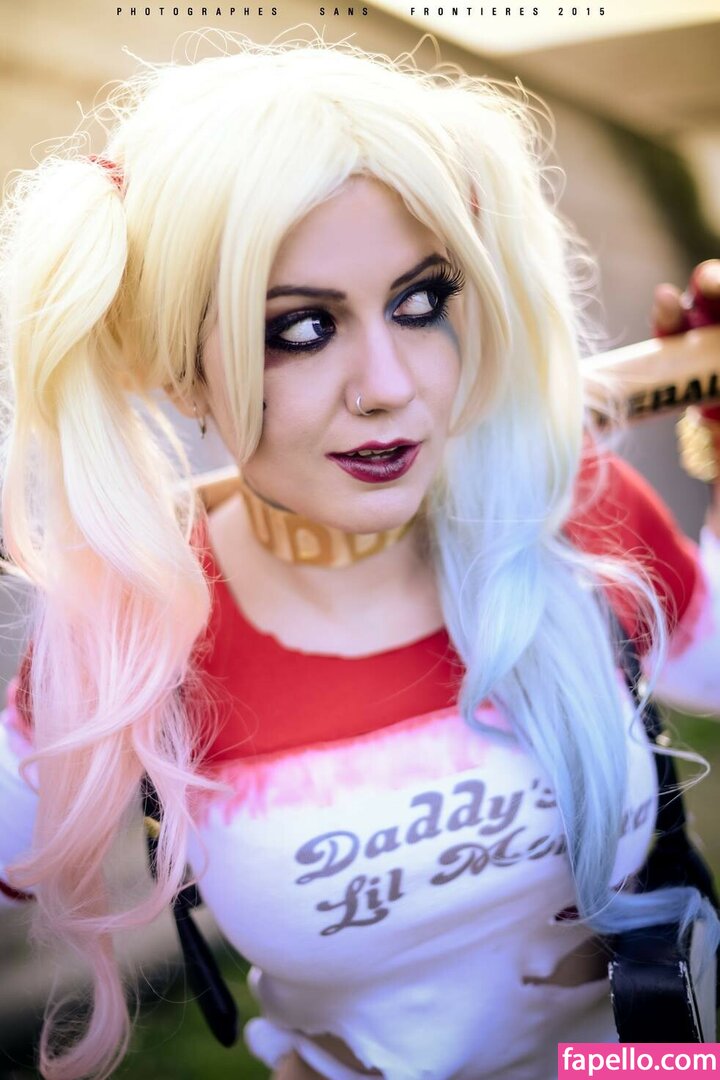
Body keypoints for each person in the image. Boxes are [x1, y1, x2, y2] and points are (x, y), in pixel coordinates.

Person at [0, 34, 719, 1080]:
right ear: (182, 369)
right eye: (301, 329)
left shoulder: (568, 502)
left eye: (421, 303)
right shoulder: (139, 620)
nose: (388, 384)